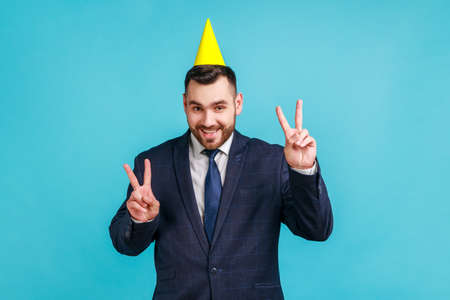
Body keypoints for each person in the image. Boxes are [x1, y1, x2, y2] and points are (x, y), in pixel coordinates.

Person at [109, 19, 333, 300]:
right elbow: (123, 243)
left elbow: (317, 229)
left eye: (219, 107)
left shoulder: (271, 161)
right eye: (197, 108)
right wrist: (140, 220)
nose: (208, 121)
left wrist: (302, 170)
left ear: (238, 103)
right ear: (184, 104)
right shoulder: (153, 164)